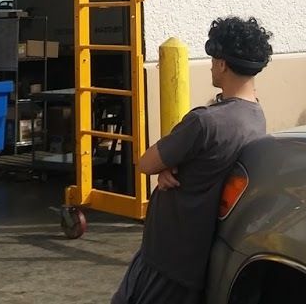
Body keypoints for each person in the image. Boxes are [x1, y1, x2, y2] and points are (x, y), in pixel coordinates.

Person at [112, 17, 273, 304]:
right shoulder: (256, 117)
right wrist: (174, 164)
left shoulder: (204, 122)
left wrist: (164, 166)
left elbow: (146, 163)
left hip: (167, 254)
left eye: (213, 59)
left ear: (222, 64)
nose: (211, 65)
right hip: (196, 258)